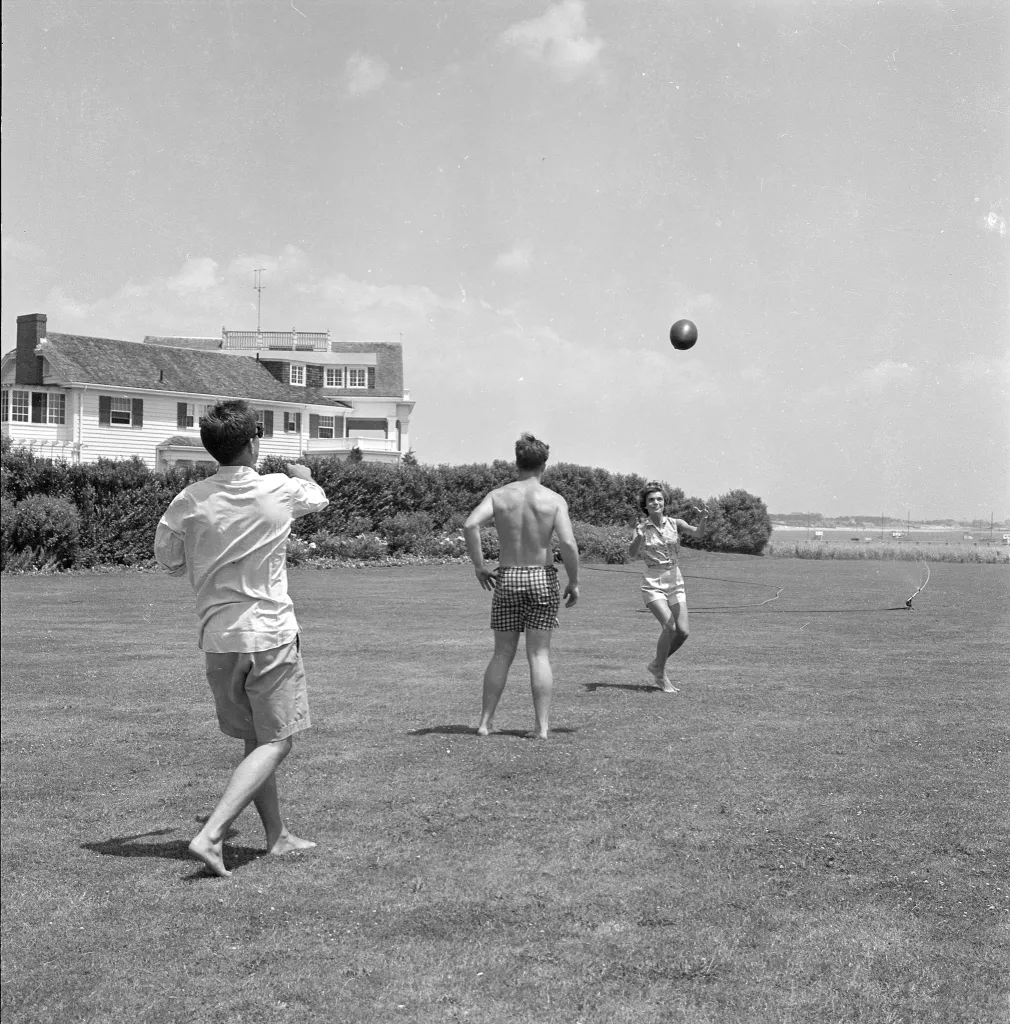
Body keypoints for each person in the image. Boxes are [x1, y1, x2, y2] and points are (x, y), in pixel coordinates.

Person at [154, 399, 329, 878]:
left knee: (256, 738)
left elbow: (168, 559)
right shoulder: (280, 488)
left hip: (218, 636)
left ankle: (278, 837)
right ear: (253, 442)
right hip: (269, 632)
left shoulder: (189, 499)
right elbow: (318, 499)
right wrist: (305, 471)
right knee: (280, 741)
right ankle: (211, 834)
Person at [463, 433, 579, 739]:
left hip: (509, 576)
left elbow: (470, 524)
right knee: (539, 655)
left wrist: (479, 566)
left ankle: (485, 723)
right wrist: (574, 581)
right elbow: (567, 543)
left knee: (502, 653)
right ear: (544, 464)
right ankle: (541, 727)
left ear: (517, 463)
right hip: (541, 577)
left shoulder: (499, 495)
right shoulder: (554, 500)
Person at [628, 482, 709, 693]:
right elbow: (631, 554)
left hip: (675, 579)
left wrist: (703, 519)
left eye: (659, 499)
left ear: (664, 502)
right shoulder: (641, 528)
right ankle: (661, 675)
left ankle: (656, 664)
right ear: (645, 505)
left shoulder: (675, 523)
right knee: (670, 627)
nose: (656, 502)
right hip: (653, 582)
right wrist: (637, 538)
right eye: (651, 500)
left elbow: (698, 534)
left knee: (683, 632)